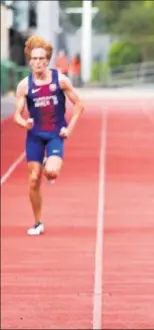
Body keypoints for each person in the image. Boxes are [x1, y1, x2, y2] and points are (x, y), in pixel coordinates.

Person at [13, 35, 84, 236]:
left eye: (41, 59)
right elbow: (17, 115)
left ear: (47, 60)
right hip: (34, 136)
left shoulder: (60, 80)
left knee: (51, 172)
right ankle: (38, 222)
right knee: (34, 179)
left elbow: (80, 104)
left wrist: (69, 129)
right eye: (34, 59)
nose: (37, 63)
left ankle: (48, 165)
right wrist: (23, 122)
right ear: (29, 60)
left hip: (55, 134)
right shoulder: (24, 86)